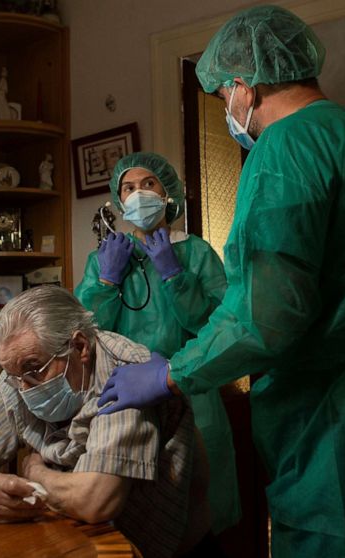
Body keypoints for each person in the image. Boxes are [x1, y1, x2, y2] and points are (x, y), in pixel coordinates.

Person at [97, 5, 345, 557]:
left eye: (223, 97)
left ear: (244, 86)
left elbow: (267, 315)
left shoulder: (284, 149)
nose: (229, 111)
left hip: (344, 417)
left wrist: (172, 373)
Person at [0, 285, 220, 558]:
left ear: (80, 346)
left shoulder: (127, 373)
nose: (24, 388)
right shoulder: (19, 370)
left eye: (34, 370)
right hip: (82, 544)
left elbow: (96, 500)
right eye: (14, 376)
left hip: (168, 547)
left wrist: (34, 472)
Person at [75, 152, 241, 534]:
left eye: (148, 184)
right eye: (128, 188)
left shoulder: (196, 253)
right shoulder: (105, 258)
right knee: (133, 514)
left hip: (191, 393)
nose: (138, 194)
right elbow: (86, 336)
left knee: (198, 516)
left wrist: (174, 274)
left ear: (168, 193)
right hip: (125, 398)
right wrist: (107, 282)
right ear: (118, 203)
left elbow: (216, 327)